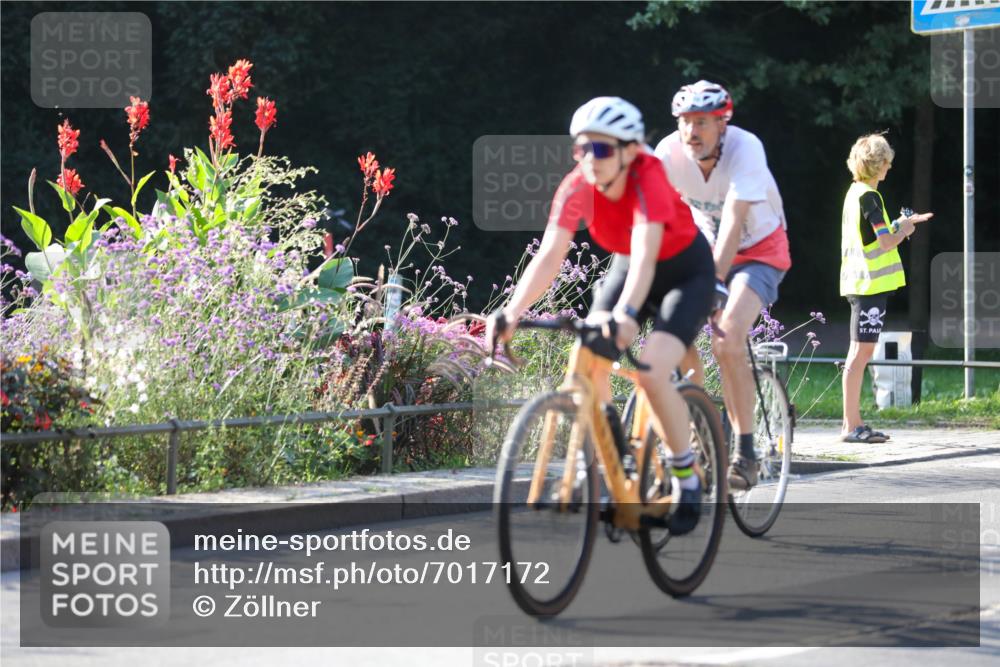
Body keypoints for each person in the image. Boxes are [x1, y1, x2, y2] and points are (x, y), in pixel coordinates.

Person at [486, 96, 716, 535]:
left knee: (652, 371)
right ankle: (613, 443)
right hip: (631, 265)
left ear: (630, 151)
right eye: (581, 148)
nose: (590, 159)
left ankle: (686, 475)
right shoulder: (577, 185)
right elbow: (551, 254)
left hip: (685, 273)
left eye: (603, 149)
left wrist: (628, 314)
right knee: (587, 353)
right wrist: (512, 311)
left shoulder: (648, 176)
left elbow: (648, 255)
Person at [654, 81, 791, 490]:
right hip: (706, 248)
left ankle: (745, 452)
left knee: (728, 339)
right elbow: (657, 220)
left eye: (701, 123)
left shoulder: (745, 148)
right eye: (685, 123)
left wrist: (713, 282)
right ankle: (700, 430)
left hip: (760, 249)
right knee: (675, 335)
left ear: (722, 124)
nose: (691, 132)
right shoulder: (668, 153)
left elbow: (733, 219)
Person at [839, 133, 932, 443]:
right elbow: (885, 242)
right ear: (877, 164)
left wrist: (901, 224)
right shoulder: (870, 197)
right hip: (870, 285)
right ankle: (851, 426)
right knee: (861, 353)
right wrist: (905, 229)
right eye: (887, 163)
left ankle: (851, 423)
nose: (889, 168)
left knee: (858, 352)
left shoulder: (856, 193)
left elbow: (872, 237)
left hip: (860, 282)